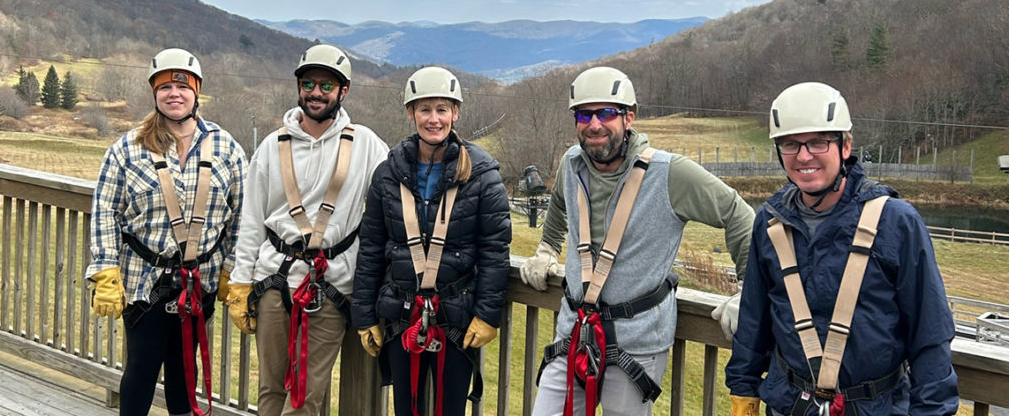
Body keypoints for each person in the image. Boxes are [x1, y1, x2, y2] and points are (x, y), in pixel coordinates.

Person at [521, 66, 755, 416]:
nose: (595, 124)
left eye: (607, 113)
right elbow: (559, 202)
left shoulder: (669, 174)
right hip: (575, 332)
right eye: (585, 114)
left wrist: (747, 288)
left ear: (629, 117)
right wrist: (547, 248)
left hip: (638, 340)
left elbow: (738, 213)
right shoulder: (572, 164)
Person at [724, 82, 959, 416]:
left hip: (875, 406)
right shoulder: (771, 222)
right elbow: (753, 322)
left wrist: (932, 410)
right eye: (790, 145)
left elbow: (930, 333)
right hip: (789, 404)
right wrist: (743, 391)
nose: (804, 156)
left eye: (818, 142)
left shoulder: (895, 222)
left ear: (845, 145)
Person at [224, 44, 389, 415]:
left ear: (342, 91)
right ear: (299, 86)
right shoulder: (271, 147)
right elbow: (252, 219)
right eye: (309, 84)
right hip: (273, 282)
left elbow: (396, 198)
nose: (316, 93)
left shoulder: (366, 146)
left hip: (331, 287)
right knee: (270, 390)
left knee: (307, 397)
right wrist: (241, 281)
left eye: (326, 86)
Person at [87, 47, 247, 416]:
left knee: (183, 373)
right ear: (154, 92)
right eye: (164, 86)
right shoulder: (127, 149)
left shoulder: (226, 148)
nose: (174, 93)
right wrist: (105, 268)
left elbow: (243, 213)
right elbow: (105, 211)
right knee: (141, 368)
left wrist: (231, 270)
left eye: (183, 85)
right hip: (145, 281)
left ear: (196, 91)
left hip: (200, 282)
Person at [352, 66, 511, 416]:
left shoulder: (482, 175)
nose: (434, 119)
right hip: (401, 313)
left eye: (442, 109)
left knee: (449, 410)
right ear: (411, 113)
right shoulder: (388, 173)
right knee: (406, 409)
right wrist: (365, 315)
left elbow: (494, 252)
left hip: (455, 315)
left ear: (456, 112)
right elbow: (372, 248)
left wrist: (487, 315)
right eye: (424, 109)